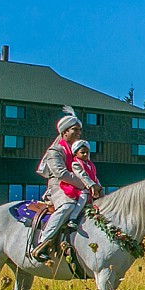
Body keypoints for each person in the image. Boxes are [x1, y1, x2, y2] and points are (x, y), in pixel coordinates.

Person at [33, 106, 99, 262]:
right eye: (74, 130)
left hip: (79, 187)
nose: (78, 133)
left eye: (79, 131)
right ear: (64, 132)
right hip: (58, 187)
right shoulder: (55, 151)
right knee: (67, 206)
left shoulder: (78, 150)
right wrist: (84, 185)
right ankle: (43, 242)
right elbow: (60, 173)